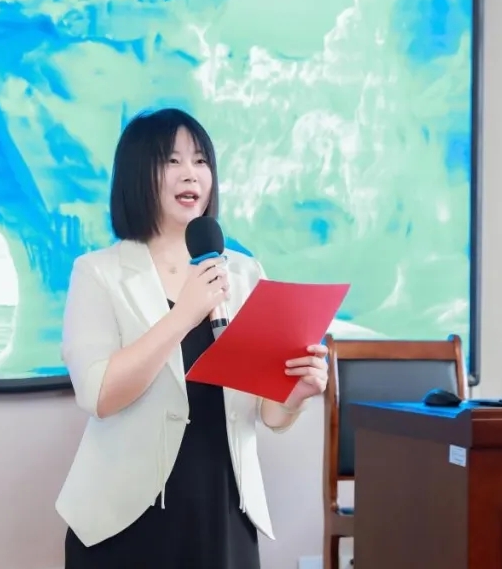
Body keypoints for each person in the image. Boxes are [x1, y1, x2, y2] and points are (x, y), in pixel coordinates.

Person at [56, 107, 329, 568]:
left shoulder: (245, 273)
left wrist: (294, 393)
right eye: (172, 160)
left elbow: (268, 413)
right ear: (137, 173)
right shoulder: (98, 273)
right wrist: (182, 315)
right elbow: (99, 394)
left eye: (201, 160)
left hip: (223, 510)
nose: (191, 173)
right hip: (124, 520)